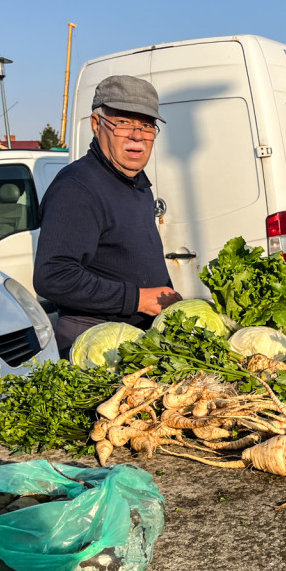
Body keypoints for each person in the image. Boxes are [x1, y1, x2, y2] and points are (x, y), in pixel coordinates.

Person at [34, 75, 182, 358]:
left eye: (147, 126)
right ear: (96, 124)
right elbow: (52, 276)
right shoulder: (78, 187)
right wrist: (138, 298)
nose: (137, 135)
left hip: (135, 340)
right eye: (123, 122)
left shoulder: (135, 182)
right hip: (97, 344)